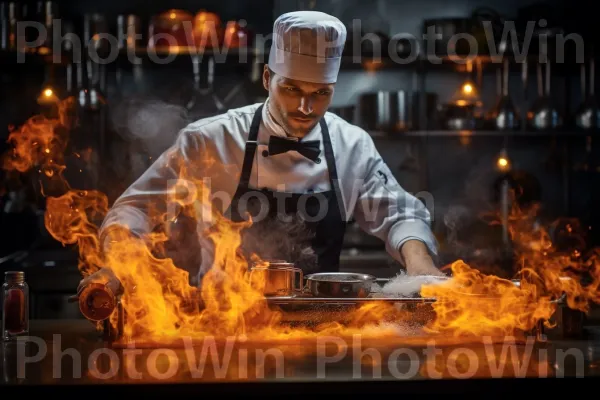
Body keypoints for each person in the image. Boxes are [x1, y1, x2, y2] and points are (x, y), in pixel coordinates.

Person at [82, 10, 444, 292]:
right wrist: (118, 263)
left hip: (324, 328)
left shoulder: (352, 145)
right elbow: (135, 209)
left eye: (320, 93)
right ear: (268, 78)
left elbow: (400, 216)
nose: (305, 107)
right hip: (225, 325)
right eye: (292, 89)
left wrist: (421, 267)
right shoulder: (209, 140)